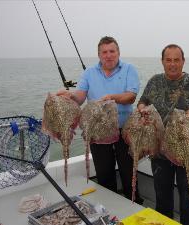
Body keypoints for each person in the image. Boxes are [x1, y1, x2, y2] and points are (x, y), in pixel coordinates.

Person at [57, 36, 143, 204]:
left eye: (112, 51)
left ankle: (135, 204)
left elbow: (131, 97)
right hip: (97, 131)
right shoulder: (89, 72)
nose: (108, 55)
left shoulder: (129, 69)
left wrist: (112, 97)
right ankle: (109, 208)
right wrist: (70, 95)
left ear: (118, 53)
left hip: (124, 130)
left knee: (129, 173)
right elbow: (80, 97)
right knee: (104, 174)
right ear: (99, 55)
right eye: (104, 52)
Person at [137, 44, 189, 225]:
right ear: (162, 61)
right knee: (162, 195)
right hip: (160, 152)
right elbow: (143, 101)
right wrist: (141, 109)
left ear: (183, 61)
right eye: (168, 60)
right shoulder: (154, 81)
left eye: (176, 60)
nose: (172, 64)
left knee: (187, 197)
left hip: (186, 151)